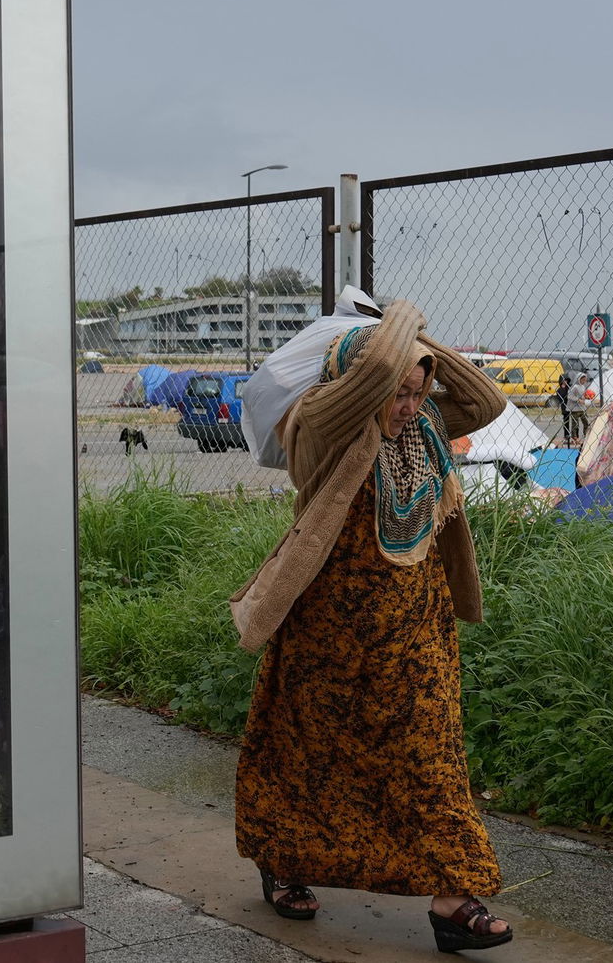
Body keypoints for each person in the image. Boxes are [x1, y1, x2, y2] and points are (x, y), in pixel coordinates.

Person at [230, 300, 515, 954]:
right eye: (399, 393)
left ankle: (452, 898)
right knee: (307, 751)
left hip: (416, 628)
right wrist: (394, 326)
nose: (411, 406)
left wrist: (420, 343)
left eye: (419, 392)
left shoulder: (427, 429)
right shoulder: (322, 425)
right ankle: (285, 859)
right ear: (364, 384)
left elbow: (489, 398)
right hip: (329, 630)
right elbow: (368, 378)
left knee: (432, 756)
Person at [554, 372, 576, 446]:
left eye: (566, 380)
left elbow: (572, 395)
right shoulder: (559, 390)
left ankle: (574, 435)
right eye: (564, 380)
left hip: (571, 406)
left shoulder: (569, 388)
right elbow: (560, 399)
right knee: (566, 422)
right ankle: (566, 435)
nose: (565, 382)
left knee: (574, 421)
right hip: (564, 407)